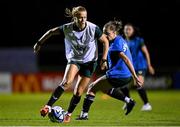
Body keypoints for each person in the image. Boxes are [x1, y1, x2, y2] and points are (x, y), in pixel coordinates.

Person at [33, 6, 109, 123]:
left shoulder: (93, 28)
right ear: (74, 18)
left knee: (79, 91)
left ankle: (68, 114)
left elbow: (105, 41)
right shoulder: (67, 28)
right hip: (74, 59)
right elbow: (51, 32)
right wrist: (39, 43)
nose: (83, 20)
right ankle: (47, 107)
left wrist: (104, 59)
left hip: (90, 62)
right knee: (66, 82)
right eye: (80, 18)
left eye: (85, 17)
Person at [76, 20, 143, 120]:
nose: (105, 35)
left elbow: (126, 59)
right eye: (104, 33)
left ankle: (84, 115)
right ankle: (129, 101)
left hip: (119, 75)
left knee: (91, 88)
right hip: (124, 76)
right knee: (104, 89)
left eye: (107, 33)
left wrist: (135, 76)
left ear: (114, 32)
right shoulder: (119, 40)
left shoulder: (115, 44)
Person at [121, 23, 155, 111]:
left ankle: (147, 104)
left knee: (138, 84)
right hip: (129, 66)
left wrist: (149, 65)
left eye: (129, 29)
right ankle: (128, 102)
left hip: (140, 65)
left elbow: (146, 53)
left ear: (133, 31)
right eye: (125, 29)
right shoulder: (123, 41)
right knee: (122, 85)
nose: (127, 31)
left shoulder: (138, 40)